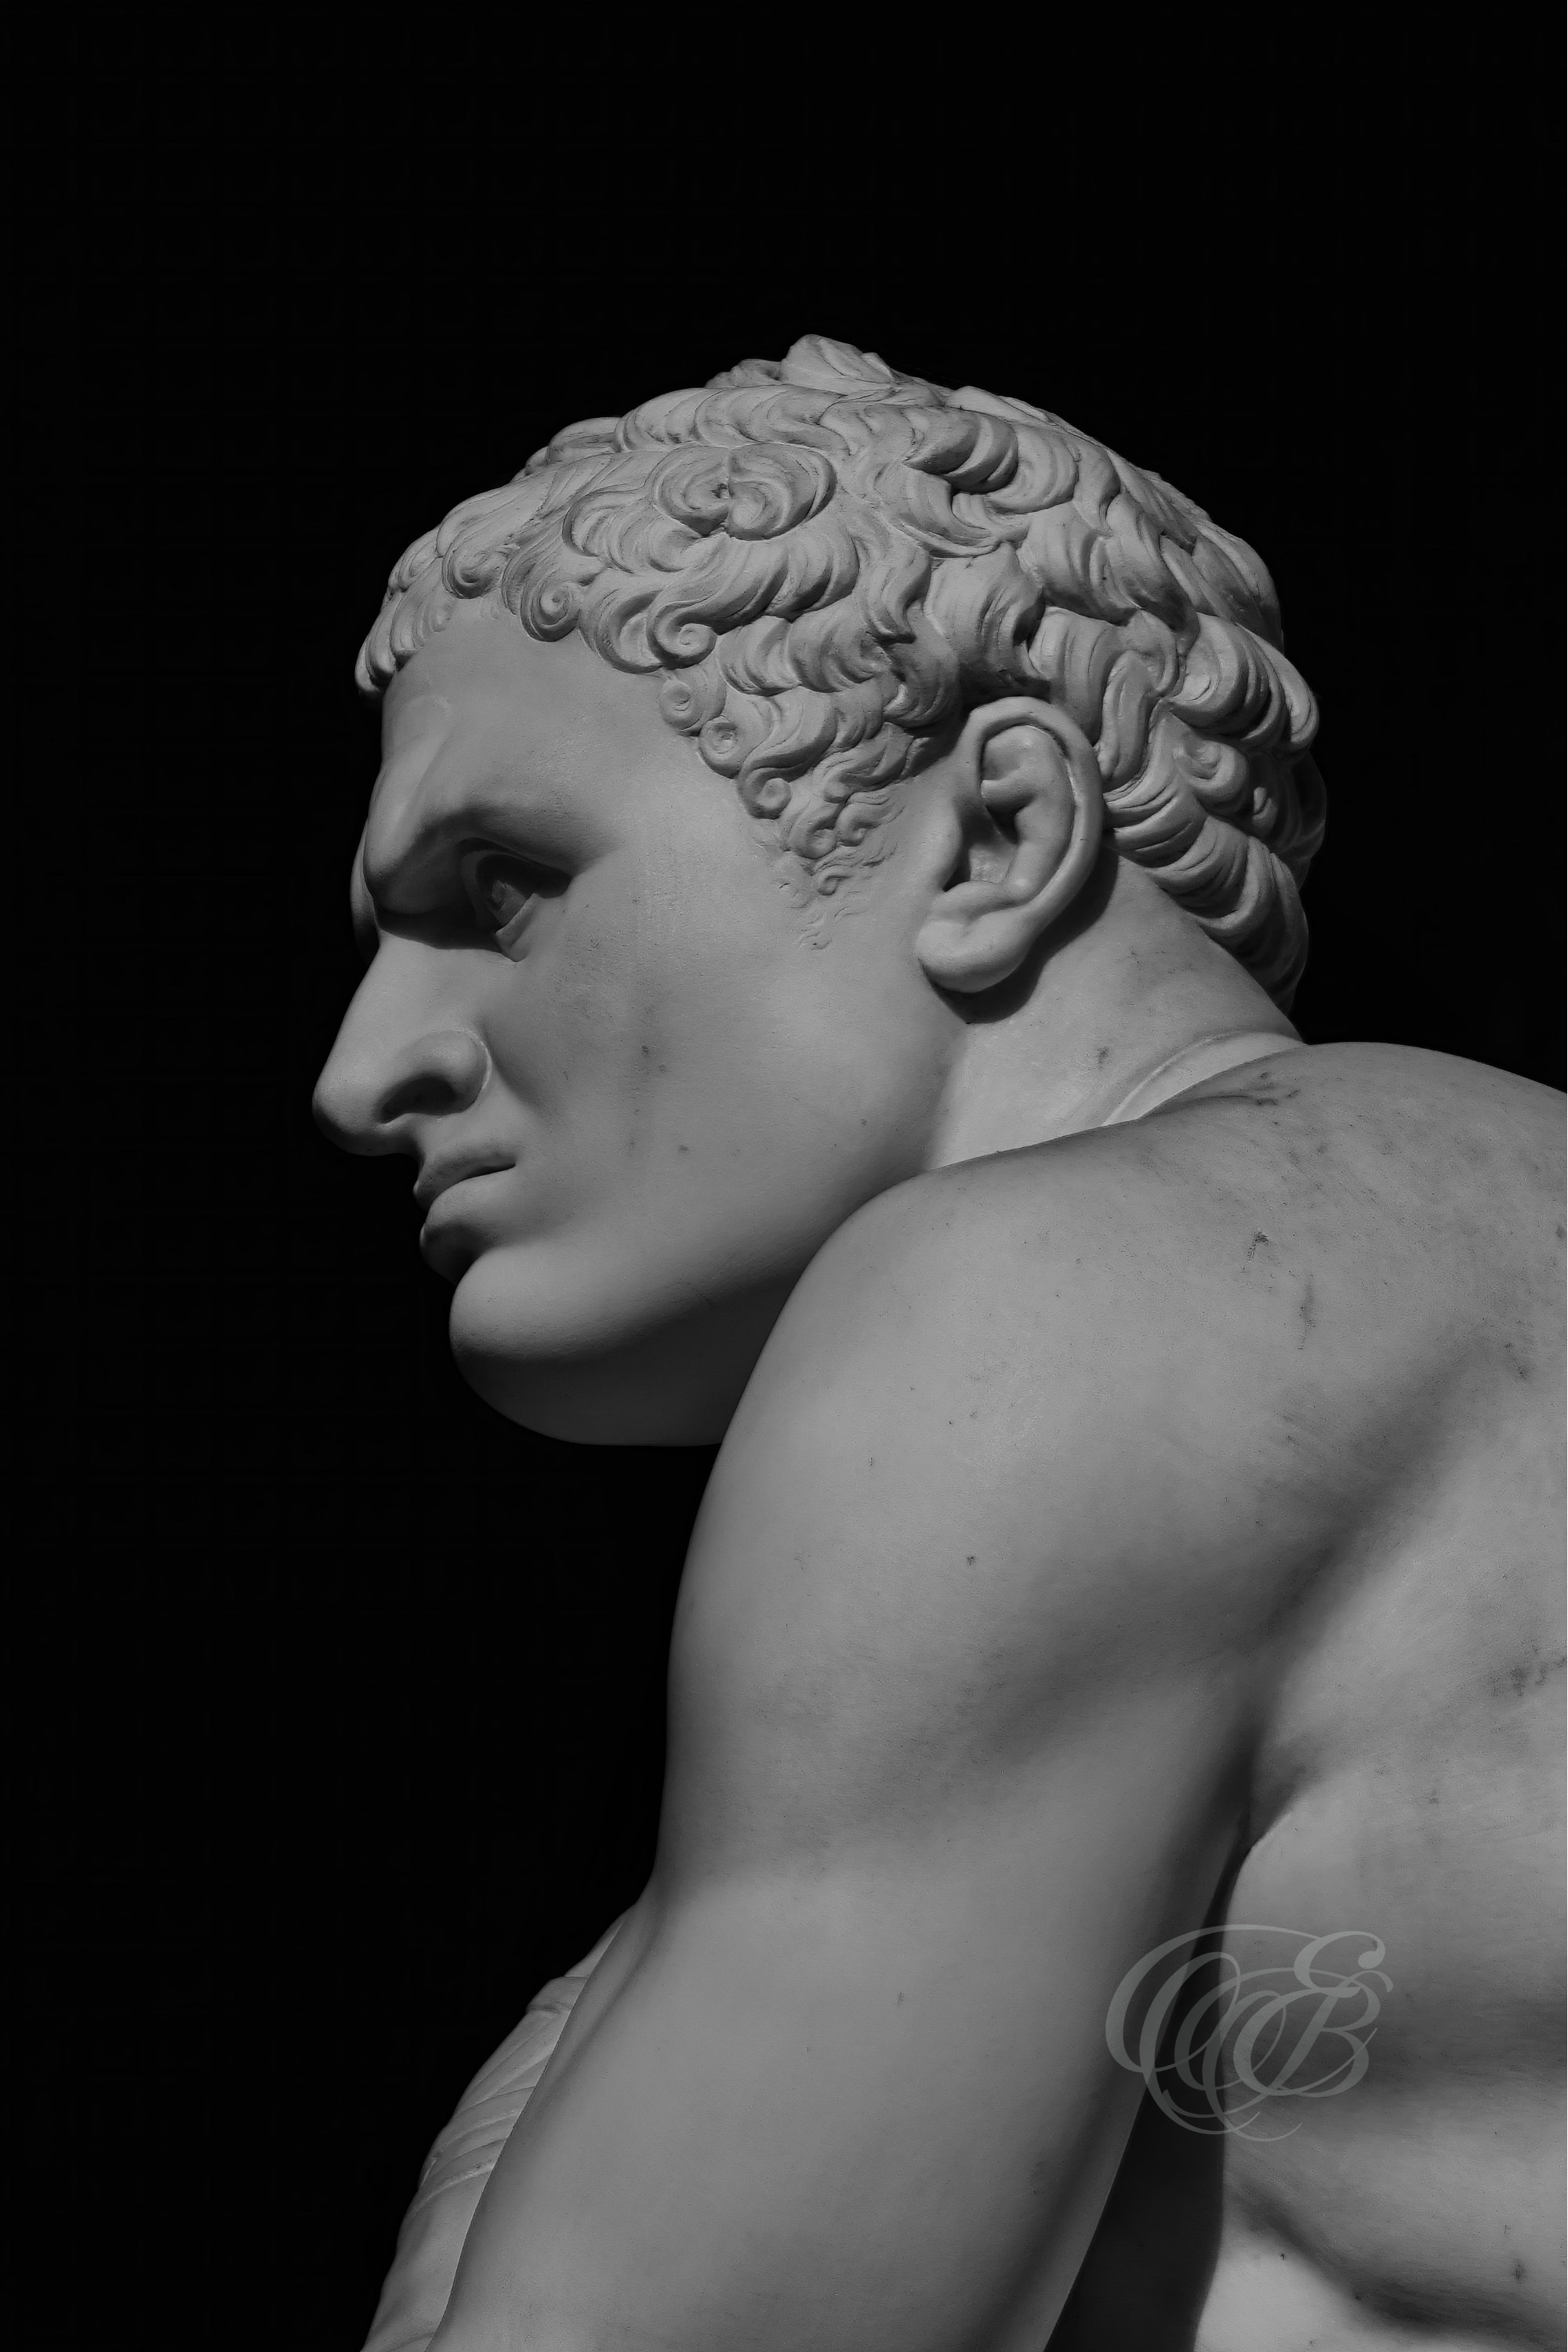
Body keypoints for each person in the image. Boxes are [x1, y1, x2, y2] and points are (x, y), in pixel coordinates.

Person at [313, 336, 1565, 2350]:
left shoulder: (1059, 1307)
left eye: (509, 886)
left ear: (992, 840)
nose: (366, 1073)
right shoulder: (1462, 1263)